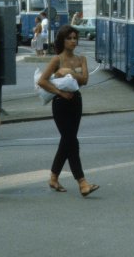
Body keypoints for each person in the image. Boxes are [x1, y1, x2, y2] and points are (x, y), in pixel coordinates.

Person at [37, 24, 99, 197]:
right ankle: (82, 183)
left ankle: (53, 177)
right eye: (69, 38)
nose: (73, 41)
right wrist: (59, 92)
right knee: (72, 142)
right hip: (60, 103)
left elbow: (85, 80)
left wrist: (70, 72)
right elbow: (42, 81)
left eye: (74, 38)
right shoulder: (57, 60)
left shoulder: (81, 59)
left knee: (67, 141)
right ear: (62, 41)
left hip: (76, 102)